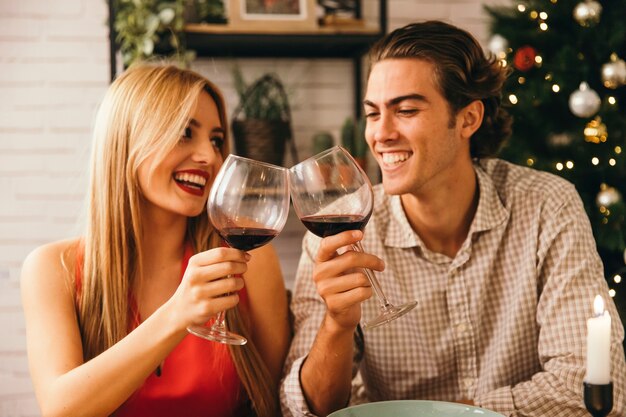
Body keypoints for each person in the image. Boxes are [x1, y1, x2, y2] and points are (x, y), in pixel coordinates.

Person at [280, 20, 626, 417]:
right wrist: (336, 325)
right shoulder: (338, 237)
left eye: (406, 110)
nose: (381, 134)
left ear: (468, 119)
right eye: (373, 114)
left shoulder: (547, 206)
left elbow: (592, 388)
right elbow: (300, 410)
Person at [20, 64, 290, 417]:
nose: (209, 157)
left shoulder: (249, 261)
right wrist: (178, 313)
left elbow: (278, 402)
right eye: (184, 132)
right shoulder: (52, 268)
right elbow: (61, 409)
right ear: (127, 140)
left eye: (216, 140)